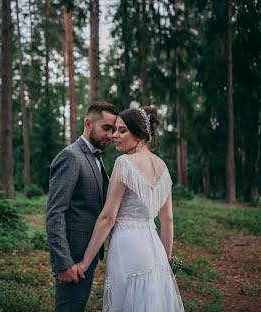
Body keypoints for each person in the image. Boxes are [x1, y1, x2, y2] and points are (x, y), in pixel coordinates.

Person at [76, 106, 184, 311]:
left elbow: (108, 218)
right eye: (114, 129)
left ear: (140, 134)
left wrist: (85, 263)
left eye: (122, 130)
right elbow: (167, 220)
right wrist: (166, 260)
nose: (114, 135)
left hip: (127, 246)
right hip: (155, 249)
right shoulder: (163, 167)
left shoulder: (124, 163)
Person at [46, 102, 119, 312]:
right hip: (72, 258)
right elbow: (55, 213)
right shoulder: (71, 156)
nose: (111, 135)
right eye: (106, 128)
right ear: (88, 123)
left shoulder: (96, 157)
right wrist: (63, 263)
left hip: (88, 254)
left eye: (114, 130)